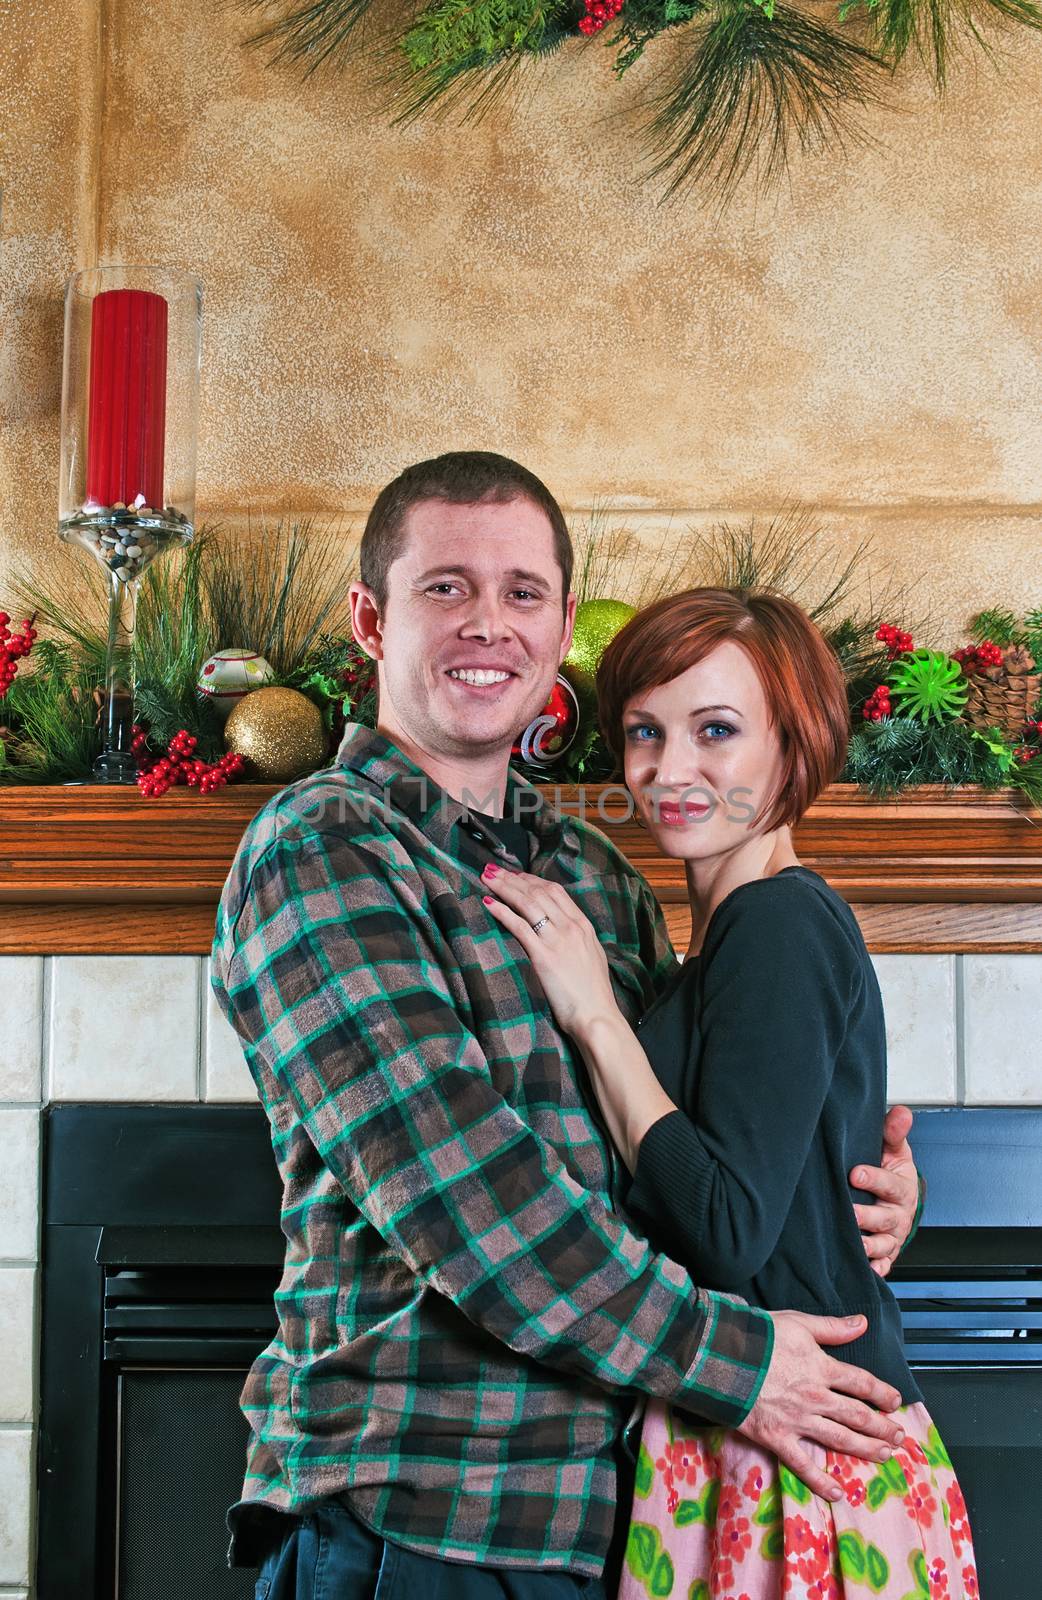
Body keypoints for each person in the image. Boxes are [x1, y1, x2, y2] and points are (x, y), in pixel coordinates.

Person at [211, 453, 922, 1600]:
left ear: (555, 636)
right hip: (429, 1516)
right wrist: (742, 1366)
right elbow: (468, 1199)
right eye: (446, 587)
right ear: (369, 619)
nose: (488, 621)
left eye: (523, 593)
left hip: (625, 1516)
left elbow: (694, 1149)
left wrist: (852, 1190)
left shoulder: (596, 878)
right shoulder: (326, 847)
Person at [480, 586, 976, 1599]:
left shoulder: (774, 926)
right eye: (644, 734)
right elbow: (778, 1179)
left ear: (791, 750)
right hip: (770, 1437)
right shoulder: (740, 936)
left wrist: (591, 1015)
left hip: (794, 1464)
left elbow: (726, 1225)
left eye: (716, 730)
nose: (669, 770)